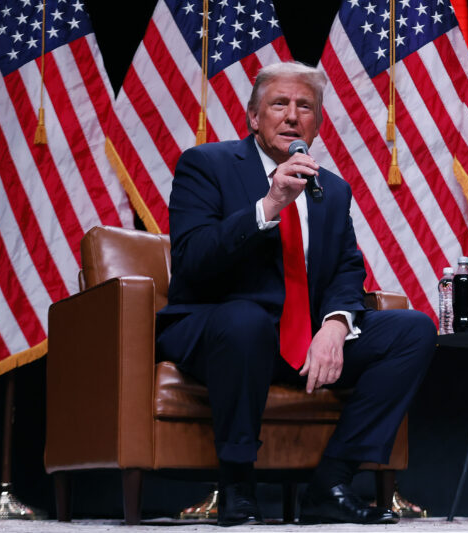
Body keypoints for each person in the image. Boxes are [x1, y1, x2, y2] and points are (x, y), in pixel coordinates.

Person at [155, 62, 436, 526]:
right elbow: (193, 259)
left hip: (298, 336)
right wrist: (269, 206)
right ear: (253, 117)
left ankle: (332, 482)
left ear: (318, 123)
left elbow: (347, 269)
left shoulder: (333, 188)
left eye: (304, 107)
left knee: (412, 331)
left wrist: (334, 324)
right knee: (245, 320)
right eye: (279, 104)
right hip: (220, 330)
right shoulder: (206, 164)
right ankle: (237, 484)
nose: (291, 116)